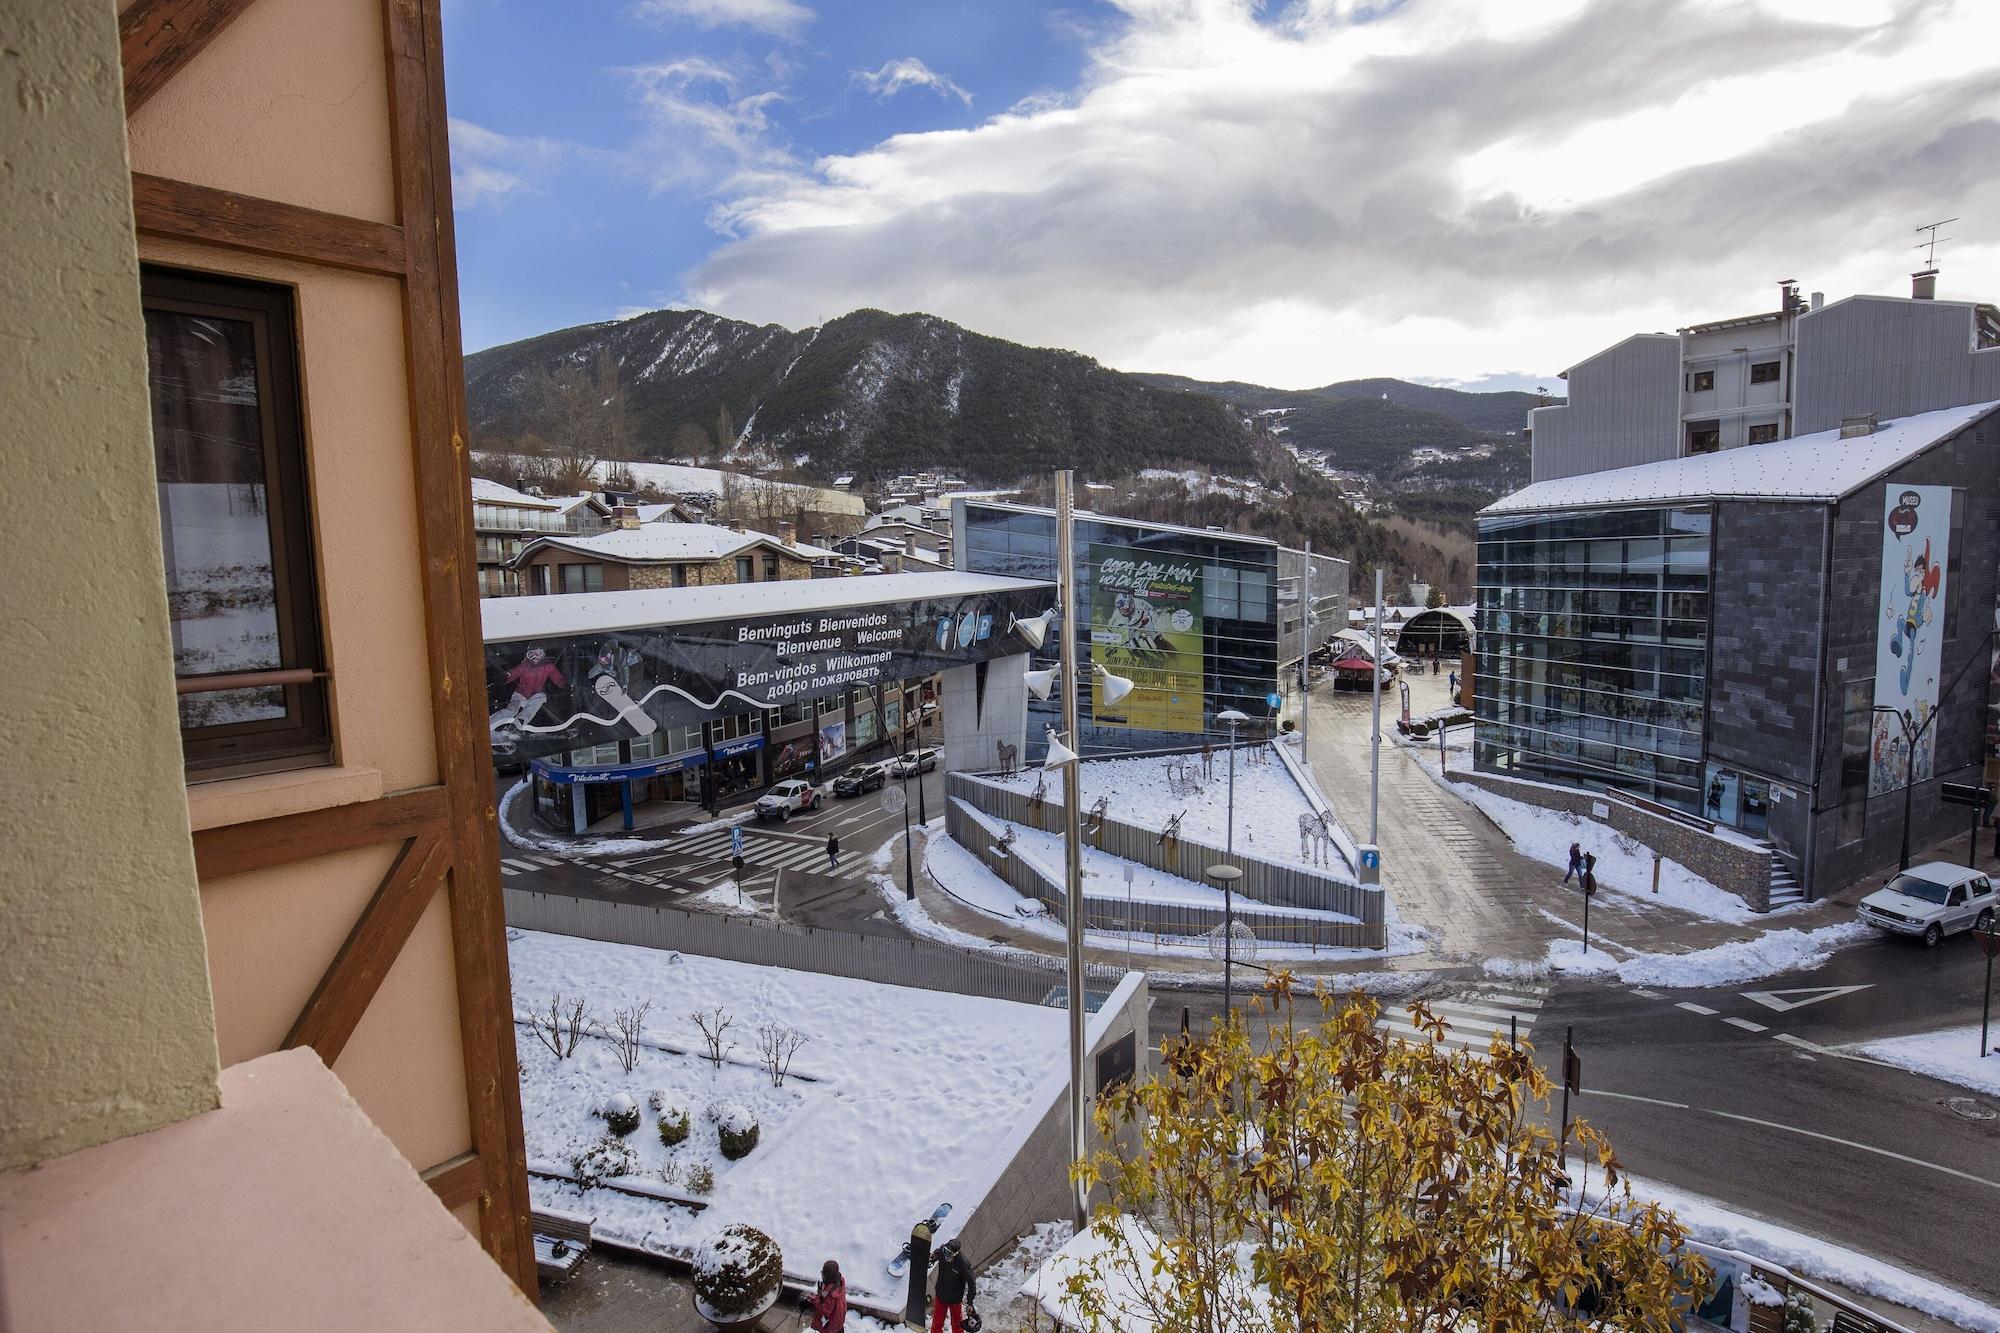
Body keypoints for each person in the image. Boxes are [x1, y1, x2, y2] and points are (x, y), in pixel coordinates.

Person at [929, 1237, 976, 1333]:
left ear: (956, 1253)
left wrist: (970, 1302)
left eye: (949, 1255)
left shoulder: (963, 1264)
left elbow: (972, 1283)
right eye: (945, 1253)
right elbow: (937, 1253)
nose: (946, 1257)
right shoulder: (943, 1252)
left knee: (957, 1324)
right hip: (941, 1295)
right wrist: (932, 1258)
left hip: (955, 1299)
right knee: (937, 1323)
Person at [805, 1259, 847, 1332]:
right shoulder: (838, 1281)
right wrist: (821, 1294)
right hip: (838, 1317)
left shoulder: (831, 1296)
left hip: (831, 1325)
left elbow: (825, 1311)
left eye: (823, 1274)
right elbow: (826, 1295)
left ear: (827, 1278)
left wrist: (814, 1300)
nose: (822, 1276)